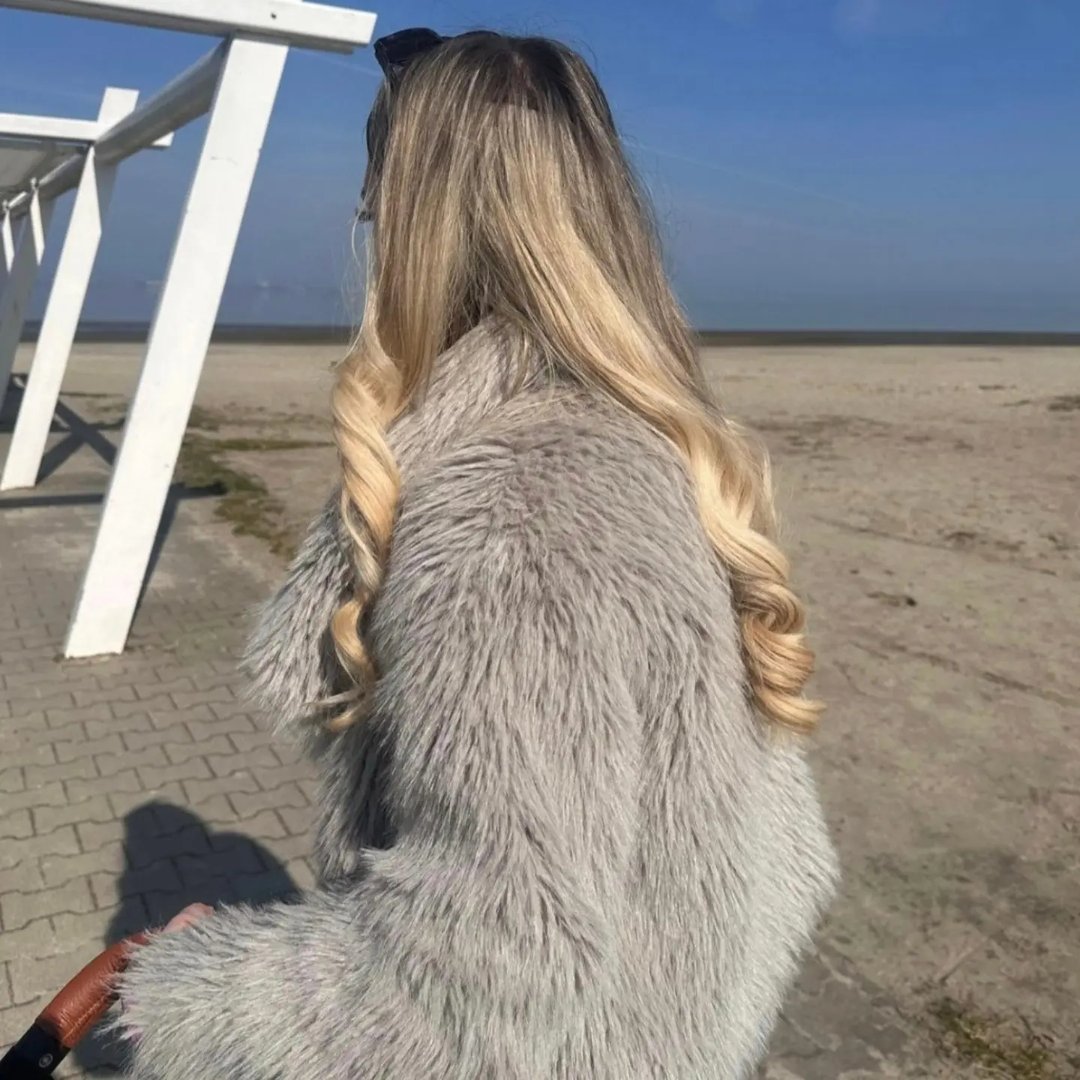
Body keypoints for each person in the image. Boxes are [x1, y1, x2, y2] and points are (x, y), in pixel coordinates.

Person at [111, 28, 838, 1079]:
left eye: (375, 204)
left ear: (414, 221)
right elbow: (785, 859)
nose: (367, 235)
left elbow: (482, 972)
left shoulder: (522, 502)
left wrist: (187, 991)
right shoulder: (648, 448)